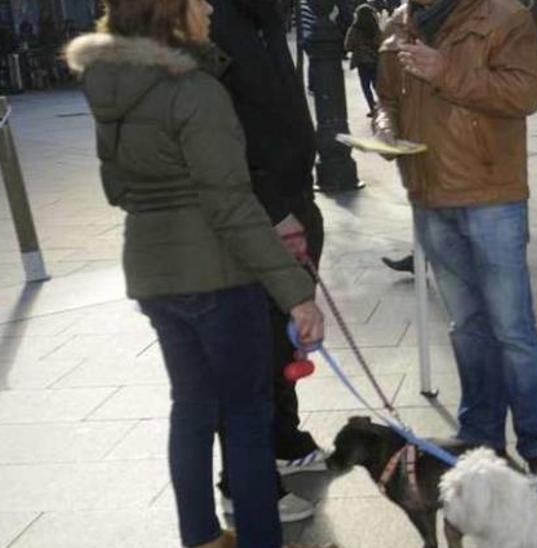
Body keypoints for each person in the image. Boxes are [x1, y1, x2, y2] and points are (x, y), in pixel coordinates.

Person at [64, 0, 325, 546]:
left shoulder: (108, 85)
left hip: (152, 273)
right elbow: (230, 204)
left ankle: (202, 537)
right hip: (218, 278)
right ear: (171, 14)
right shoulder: (196, 89)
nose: (208, 6)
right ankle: (258, 537)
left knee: (191, 407)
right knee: (247, 417)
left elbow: (117, 189)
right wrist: (297, 292)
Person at [374, 0, 537, 473]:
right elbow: (387, 99)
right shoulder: (398, 22)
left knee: (513, 330)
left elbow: (525, 94)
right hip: (429, 196)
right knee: (466, 328)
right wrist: (385, 128)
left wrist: (445, 71)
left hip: (492, 194)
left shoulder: (504, 15)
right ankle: (480, 435)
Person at [206, 0, 327, 523]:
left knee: (284, 339)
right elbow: (225, 135)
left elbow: (278, 104)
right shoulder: (214, 22)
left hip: (294, 195)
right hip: (259, 211)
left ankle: (283, 437)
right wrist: (275, 211)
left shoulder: (265, 17)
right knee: (251, 353)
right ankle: (245, 480)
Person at [343, 4, 382, 116]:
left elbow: (347, 46)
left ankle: (372, 107)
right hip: (375, 61)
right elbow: (381, 43)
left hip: (362, 62)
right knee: (377, 85)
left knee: (366, 87)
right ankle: (382, 107)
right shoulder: (375, 28)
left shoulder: (354, 29)